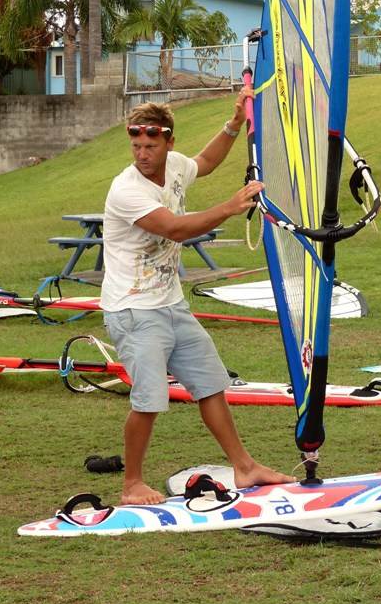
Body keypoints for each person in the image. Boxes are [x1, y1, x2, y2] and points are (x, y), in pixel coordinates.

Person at [101, 89, 295, 504]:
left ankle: (245, 468)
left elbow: (204, 163)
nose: (142, 154)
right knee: (149, 400)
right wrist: (229, 206)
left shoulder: (173, 166)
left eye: (151, 146)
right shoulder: (126, 190)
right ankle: (132, 483)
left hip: (171, 303)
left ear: (168, 142)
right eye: (136, 146)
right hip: (133, 310)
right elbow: (175, 228)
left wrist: (235, 123)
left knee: (211, 385)